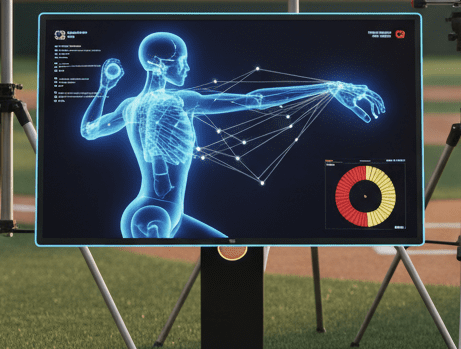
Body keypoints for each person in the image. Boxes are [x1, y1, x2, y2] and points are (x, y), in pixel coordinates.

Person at [80, 31, 385, 239]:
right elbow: (256, 99)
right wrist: (329, 87)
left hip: (162, 211)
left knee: (228, 246)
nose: (187, 67)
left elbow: (88, 131)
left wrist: (105, 88)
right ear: (159, 65)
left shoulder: (129, 105)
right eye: (181, 61)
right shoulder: (179, 100)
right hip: (153, 213)